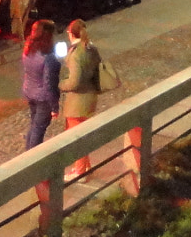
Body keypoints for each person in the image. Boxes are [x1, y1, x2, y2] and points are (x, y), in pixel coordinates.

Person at [58, 18, 118, 181]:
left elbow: (75, 81)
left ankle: (79, 172)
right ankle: (86, 166)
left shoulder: (77, 53)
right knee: (82, 134)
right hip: (90, 97)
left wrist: (62, 84)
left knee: (76, 138)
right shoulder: (91, 48)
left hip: (78, 100)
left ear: (70, 34)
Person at [21, 19, 61, 149]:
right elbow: (50, 84)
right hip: (42, 97)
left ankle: (28, 152)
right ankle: (32, 157)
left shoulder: (28, 49)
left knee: (34, 125)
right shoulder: (48, 57)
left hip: (30, 91)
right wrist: (54, 107)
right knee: (38, 129)